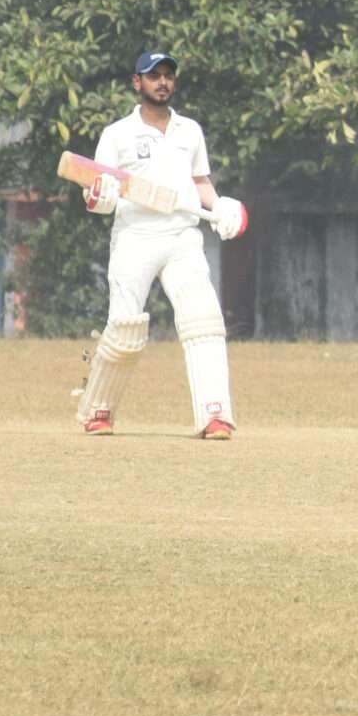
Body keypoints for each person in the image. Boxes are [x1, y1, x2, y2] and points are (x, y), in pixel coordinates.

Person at [73, 50, 249, 438]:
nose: (163, 82)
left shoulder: (190, 130)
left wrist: (220, 207)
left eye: (168, 75)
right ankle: (98, 410)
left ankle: (215, 415)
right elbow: (99, 189)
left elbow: (200, 182)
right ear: (138, 82)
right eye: (154, 76)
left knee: (204, 321)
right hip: (135, 237)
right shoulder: (117, 134)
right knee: (125, 328)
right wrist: (99, 196)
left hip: (183, 236)